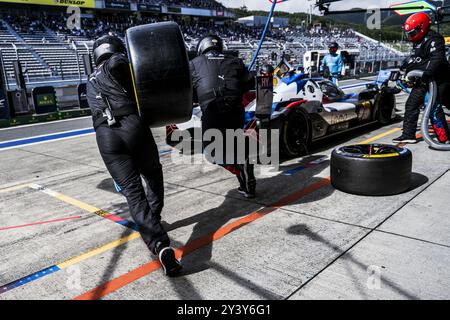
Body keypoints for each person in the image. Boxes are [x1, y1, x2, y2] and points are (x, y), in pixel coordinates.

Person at [86, 34, 182, 276]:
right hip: (131, 125)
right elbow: (119, 64)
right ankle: (154, 219)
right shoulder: (114, 64)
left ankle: (159, 244)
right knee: (152, 173)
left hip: (105, 137)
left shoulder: (89, 79)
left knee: (132, 194)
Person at [190, 34, 256, 198]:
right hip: (236, 112)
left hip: (213, 112)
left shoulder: (193, 64)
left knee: (212, 154)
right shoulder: (235, 60)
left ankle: (241, 167)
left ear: (201, 47)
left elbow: (188, 93)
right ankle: (247, 183)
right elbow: (249, 83)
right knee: (234, 146)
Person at [393, 12, 450, 144]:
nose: (410, 37)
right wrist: (405, 70)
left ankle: (444, 139)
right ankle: (408, 135)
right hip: (424, 80)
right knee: (411, 104)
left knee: (434, 107)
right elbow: (418, 60)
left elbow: (437, 59)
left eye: (412, 33)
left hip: (439, 80)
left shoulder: (435, 39)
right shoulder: (418, 42)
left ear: (422, 27)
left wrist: (426, 73)